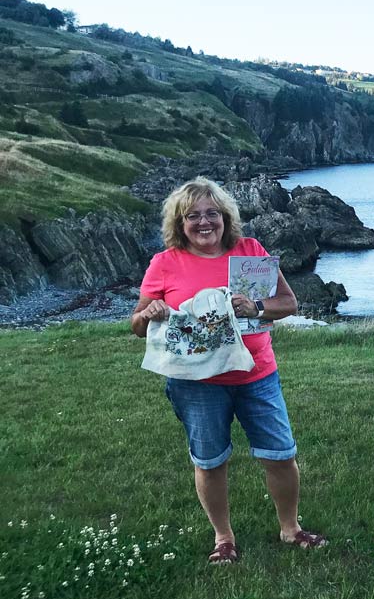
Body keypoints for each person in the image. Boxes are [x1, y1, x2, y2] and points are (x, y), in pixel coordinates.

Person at [131, 176, 326, 564]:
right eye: (193, 216)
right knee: (209, 460)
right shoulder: (164, 264)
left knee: (280, 455)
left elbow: (288, 303)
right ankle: (224, 539)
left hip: (257, 375)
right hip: (196, 383)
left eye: (212, 214)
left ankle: (290, 529)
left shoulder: (249, 250)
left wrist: (256, 308)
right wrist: (148, 313)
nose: (204, 223)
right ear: (179, 223)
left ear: (225, 217)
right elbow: (137, 324)